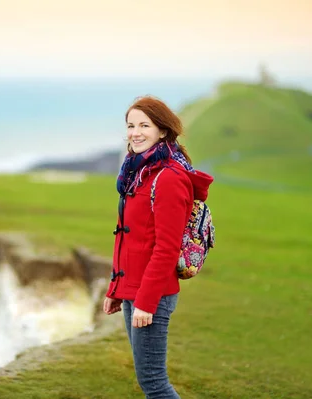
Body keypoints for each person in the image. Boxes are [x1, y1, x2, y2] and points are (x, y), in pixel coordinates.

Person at [103, 96, 213, 398]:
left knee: (154, 382)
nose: (135, 132)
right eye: (130, 125)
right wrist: (117, 289)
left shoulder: (168, 178)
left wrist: (146, 302)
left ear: (162, 131)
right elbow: (130, 237)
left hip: (152, 294)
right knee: (148, 380)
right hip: (134, 289)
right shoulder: (137, 173)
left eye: (144, 125)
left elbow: (166, 248)